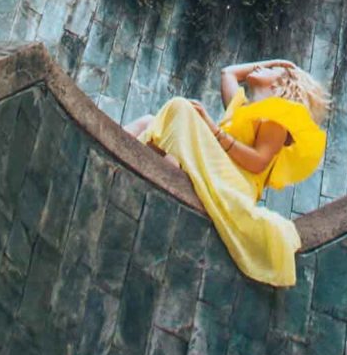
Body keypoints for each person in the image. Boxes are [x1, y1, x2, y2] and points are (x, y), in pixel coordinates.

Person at [125, 58, 329, 287]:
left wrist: (214, 131)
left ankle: (162, 169)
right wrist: (276, 62)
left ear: (281, 84)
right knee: (148, 122)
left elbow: (259, 162)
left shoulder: (276, 119)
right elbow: (228, 73)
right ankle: (136, 158)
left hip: (236, 184)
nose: (263, 67)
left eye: (272, 70)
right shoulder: (243, 109)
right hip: (219, 171)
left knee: (181, 108)